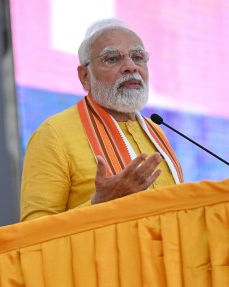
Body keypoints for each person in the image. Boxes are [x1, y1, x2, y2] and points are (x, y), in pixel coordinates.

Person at [20, 18, 184, 222]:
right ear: (84, 77)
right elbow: (33, 230)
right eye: (113, 58)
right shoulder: (54, 133)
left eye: (138, 57)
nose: (131, 67)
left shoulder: (155, 131)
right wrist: (99, 205)